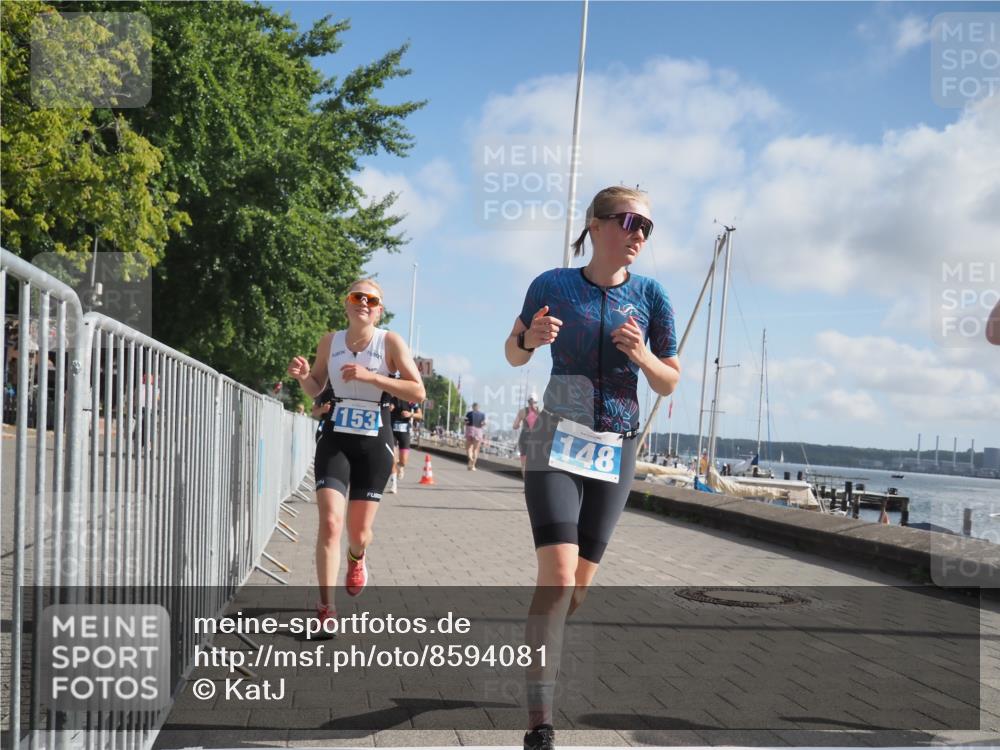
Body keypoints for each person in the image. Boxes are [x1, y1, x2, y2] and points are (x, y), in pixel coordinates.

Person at [504, 185, 680, 750]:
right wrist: (529, 338)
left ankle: (543, 632)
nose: (639, 235)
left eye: (648, 227)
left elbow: (669, 380)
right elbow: (513, 351)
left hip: (615, 446)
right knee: (555, 579)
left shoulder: (652, 295)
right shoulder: (552, 284)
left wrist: (643, 355)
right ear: (597, 224)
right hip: (554, 438)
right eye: (630, 221)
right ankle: (539, 721)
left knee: (576, 588)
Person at [287, 278, 425, 628]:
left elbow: (417, 391)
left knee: (358, 532)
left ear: (378, 310)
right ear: (346, 304)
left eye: (371, 299)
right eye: (356, 296)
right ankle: (326, 609)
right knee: (331, 523)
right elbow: (317, 390)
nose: (363, 302)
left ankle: (357, 556)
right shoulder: (329, 342)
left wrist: (373, 378)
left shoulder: (389, 341)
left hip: (374, 441)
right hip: (335, 438)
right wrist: (303, 378)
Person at [387, 392, 423, 493]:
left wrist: (410, 414)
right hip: (391, 431)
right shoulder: (391, 398)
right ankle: (394, 484)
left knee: (403, 461)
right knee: (392, 459)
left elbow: (420, 415)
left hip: (404, 432)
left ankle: (401, 467)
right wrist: (388, 409)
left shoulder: (410, 400)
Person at [512, 393, 541, 478]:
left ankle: (526, 486)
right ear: (537, 401)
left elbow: (515, 426)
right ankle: (533, 485)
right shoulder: (541, 412)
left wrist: (520, 424)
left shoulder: (522, 411)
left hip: (524, 439)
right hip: (536, 440)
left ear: (528, 401)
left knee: (524, 464)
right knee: (535, 464)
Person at [464, 402, 487, 470]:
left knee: (468, 448)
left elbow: (465, 422)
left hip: (470, 430)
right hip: (478, 431)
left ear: (472, 407)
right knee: (476, 450)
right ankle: (473, 466)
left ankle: (470, 459)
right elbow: (484, 423)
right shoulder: (482, 414)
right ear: (478, 407)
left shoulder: (469, 414)